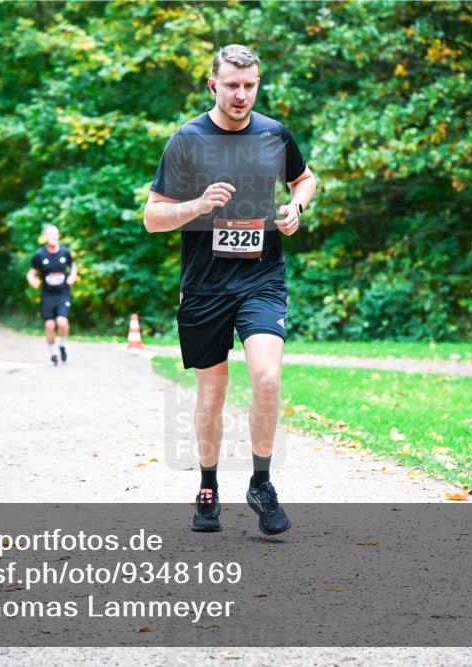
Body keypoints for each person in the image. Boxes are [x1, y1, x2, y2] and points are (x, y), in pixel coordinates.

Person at [143, 44, 316, 535]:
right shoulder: (187, 140)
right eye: (232, 85)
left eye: (250, 85)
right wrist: (197, 205)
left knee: (267, 379)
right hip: (205, 287)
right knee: (212, 394)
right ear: (213, 85)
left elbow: (305, 180)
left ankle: (261, 483)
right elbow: (153, 218)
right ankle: (208, 487)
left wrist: (296, 208)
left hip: (261, 279)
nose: (241, 94)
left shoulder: (274, 134)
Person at [27, 224, 77, 366]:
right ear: (45, 237)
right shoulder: (40, 255)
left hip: (63, 293)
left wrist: (72, 276)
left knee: (62, 322)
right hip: (47, 295)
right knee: (49, 325)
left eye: (55, 234)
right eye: (50, 234)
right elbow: (31, 273)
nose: (53, 237)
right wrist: (33, 281)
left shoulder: (65, 252)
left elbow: (73, 265)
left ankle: (63, 345)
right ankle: (53, 353)